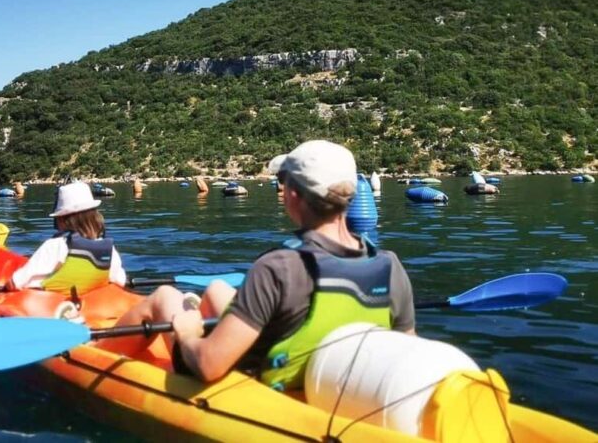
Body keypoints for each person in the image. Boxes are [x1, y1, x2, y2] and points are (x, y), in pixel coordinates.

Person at [111, 140, 415, 391]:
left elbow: (208, 365)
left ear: (292, 195)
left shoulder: (279, 267)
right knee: (217, 289)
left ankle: (95, 357)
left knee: (165, 297)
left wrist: (188, 333)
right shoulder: (389, 265)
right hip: (329, 379)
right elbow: (403, 352)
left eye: (282, 183)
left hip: (263, 379)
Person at [10, 182, 126, 316]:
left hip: (50, 311)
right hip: (93, 311)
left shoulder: (55, 246)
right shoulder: (109, 250)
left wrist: (8, 285)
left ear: (62, 220)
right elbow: (120, 281)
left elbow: (17, 282)